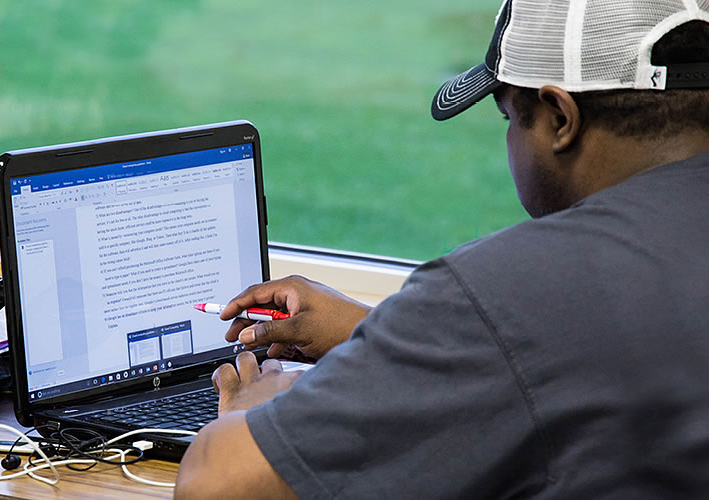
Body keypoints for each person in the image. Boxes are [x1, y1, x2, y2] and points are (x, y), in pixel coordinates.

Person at [175, 0, 709, 498]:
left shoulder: (518, 289)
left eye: (507, 117)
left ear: (560, 119)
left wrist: (253, 407)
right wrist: (387, 333)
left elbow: (214, 482)